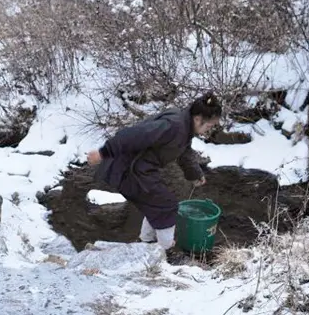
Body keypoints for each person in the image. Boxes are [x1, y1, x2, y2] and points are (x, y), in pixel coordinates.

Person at [86, 92, 223, 250]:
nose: (208, 130)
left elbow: (184, 152)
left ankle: (146, 244)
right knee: (167, 205)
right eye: (209, 126)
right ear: (198, 118)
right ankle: (164, 249)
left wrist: (195, 174)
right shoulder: (173, 125)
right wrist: (103, 153)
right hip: (128, 169)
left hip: (142, 170)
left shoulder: (186, 126)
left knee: (157, 203)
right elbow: (133, 135)